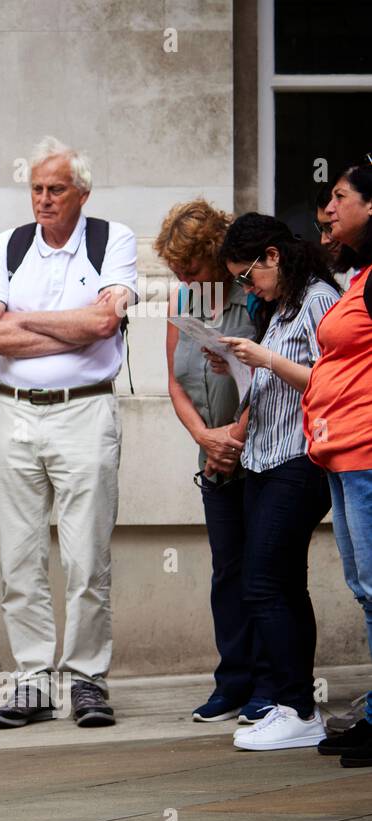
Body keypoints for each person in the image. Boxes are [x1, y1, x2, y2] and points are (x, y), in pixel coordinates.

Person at [0, 136, 137, 729]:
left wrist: (24, 318)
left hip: (85, 411)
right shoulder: (9, 245)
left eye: (56, 189)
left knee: (87, 556)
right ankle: (33, 680)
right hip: (14, 410)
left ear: (81, 193)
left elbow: (102, 321)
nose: (43, 199)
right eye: (37, 189)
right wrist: (74, 327)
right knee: (20, 557)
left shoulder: (110, 240)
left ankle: (87, 678)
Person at [209, 213, 339, 752]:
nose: (247, 287)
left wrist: (264, 357)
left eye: (247, 276)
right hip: (265, 457)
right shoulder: (282, 306)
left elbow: (330, 380)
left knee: (264, 580)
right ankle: (293, 705)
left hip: (299, 458)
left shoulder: (318, 300)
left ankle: (297, 707)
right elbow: (279, 381)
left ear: (273, 256)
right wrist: (241, 366)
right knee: (280, 581)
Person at [153, 199, 268, 722]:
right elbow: (174, 380)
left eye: (191, 267)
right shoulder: (186, 298)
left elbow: (272, 377)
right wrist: (205, 436)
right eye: (176, 270)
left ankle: (274, 683)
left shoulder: (256, 299)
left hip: (261, 451)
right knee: (228, 571)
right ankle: (233, 680)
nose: (183, 276)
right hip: (213, 456)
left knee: (267, 572)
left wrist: (233, 437)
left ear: (217, 256)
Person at [304, 158, 372, 763]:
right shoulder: (358, 275)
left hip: (368, 453)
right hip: (345, 454)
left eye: (339, 196)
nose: (328, 208)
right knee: (363, 586)